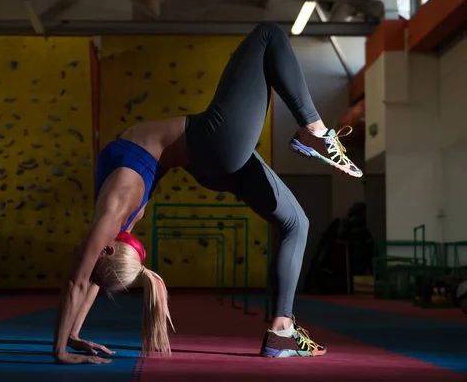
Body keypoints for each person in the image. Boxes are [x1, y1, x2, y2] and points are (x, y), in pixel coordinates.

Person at [53, 22, 362, 364]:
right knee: (269, 35)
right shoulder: (117, 203)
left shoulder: (118, 229)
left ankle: (282, 332)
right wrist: (61, 351)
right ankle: (315, 131)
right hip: (213, 141)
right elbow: (79, 281)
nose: (83, 253)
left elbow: (94, 276)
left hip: (212, 165)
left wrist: (74, 335)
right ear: (108, 245)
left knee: (297, 224)